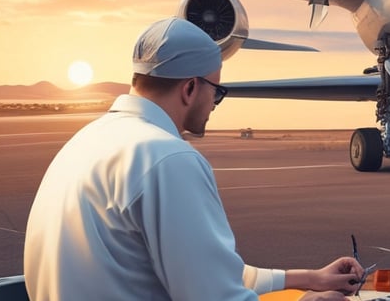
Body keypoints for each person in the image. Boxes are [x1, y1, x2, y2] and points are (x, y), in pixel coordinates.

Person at [23, 17, 363, 301]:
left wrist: (310, 278)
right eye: (217, 92)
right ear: (189, 88)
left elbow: (205, 271)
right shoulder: (168, 159)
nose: (215, 104)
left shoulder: (83, 143)